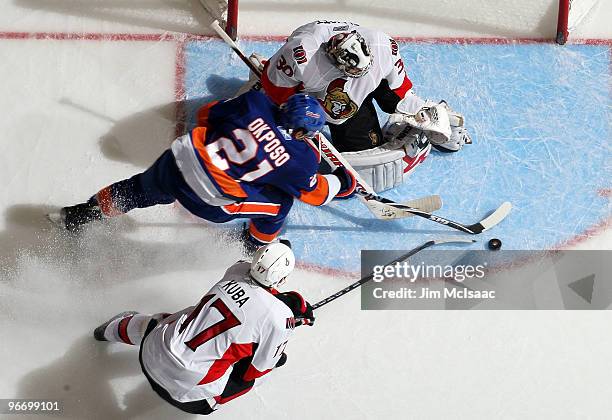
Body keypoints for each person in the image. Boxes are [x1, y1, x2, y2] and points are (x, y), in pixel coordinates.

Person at [52, 91, 356, 250]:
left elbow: (204, 115)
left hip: (179, 160)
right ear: (303, 133)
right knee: (280, 204)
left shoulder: (254, 102)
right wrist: (342, 183)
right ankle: (253, 245)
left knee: (137, 189)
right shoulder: (299, 158)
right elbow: (314, 194)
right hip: (210, 198)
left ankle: (80, 213)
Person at [247, 20, 471, 191]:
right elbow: (276, 92)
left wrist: (417, 111)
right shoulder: (301, 56)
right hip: (322, 89)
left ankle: (434, 119)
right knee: (360, 153)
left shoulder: (383, 45)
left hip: (359, 81)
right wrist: (299, 113)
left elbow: (400, 91)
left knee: (396, 101)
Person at [93, 242, 315, 415]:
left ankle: (110, 330)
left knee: (174, 319)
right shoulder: (279, 317)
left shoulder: (236, 270)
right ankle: (210, 399)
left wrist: (284, 306)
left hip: (149, 354)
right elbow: (255, 370)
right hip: (190, 398)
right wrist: (291, 320)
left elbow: (251, 291)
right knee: (265, 366)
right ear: (282, 279)